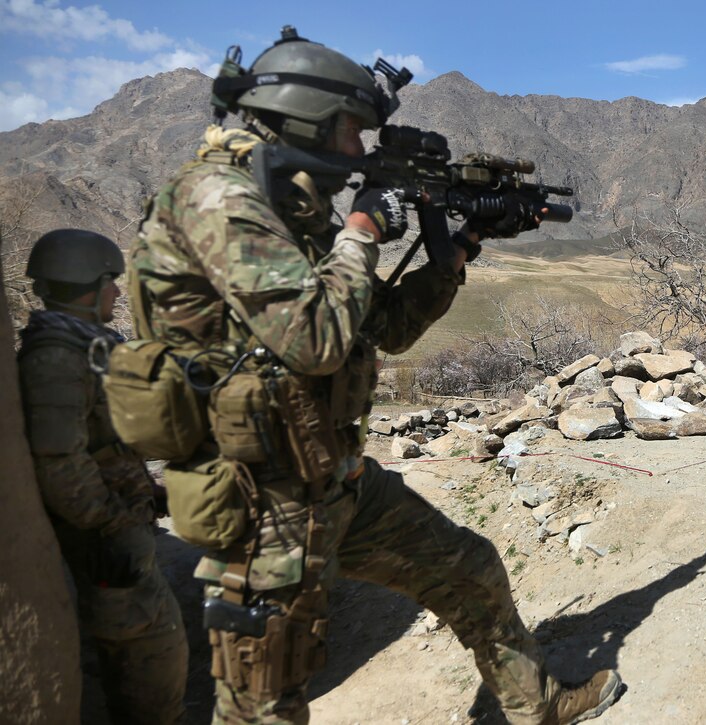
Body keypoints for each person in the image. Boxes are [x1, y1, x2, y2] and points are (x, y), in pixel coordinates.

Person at [126, 26, 620, 724]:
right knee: (266, 703)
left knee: (467, 567)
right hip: (263, 499)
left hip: (333, 477)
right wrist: (362, 227)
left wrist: (461, 246)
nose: (360, 153)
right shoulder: (217, 200)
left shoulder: (294, 213)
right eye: (354, 133)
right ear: (307, 119)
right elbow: (314, 338)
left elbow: (383, 325)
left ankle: (534, 704)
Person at [18, 229, 188, 724]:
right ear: (84, 285)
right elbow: (60, 464)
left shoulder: (83, 346)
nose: (117, 291)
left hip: (118, 527)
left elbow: (101, 445)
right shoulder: (55, 359)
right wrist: (113, 521)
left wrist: (148, 495)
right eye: (110, 281)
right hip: (104, 543)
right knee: (148, 660)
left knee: (154, 651)